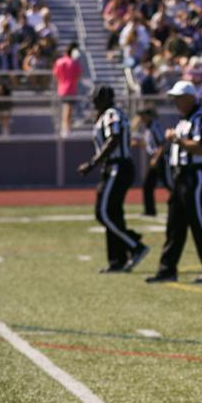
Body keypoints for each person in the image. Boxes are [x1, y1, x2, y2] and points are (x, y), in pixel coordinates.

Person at [146, 80, 202, 284]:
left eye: (178, 98)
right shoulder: (183, 120)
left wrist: (177, 140)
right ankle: (167, 270)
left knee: (198, 222)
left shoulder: (201, 119)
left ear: (190, 98)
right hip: (180, 176)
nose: (175, 102)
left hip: (194, 175)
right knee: (174, 225)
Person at [78, 86, 148, 274]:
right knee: (113, 213)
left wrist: (93, 163)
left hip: (117, 166)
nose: (93, 101)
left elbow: (114, 138)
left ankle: (134, 245)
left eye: (96, 97)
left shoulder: (111, 114)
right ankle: (117, 260)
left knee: (103, 213)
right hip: (114, 167)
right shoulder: (108, 115)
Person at [136, 108, 169, 217]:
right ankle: (150, 211)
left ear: (149, 115)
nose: (141, 118)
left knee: (168, 184)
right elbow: (149, 145)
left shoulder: (155, 126)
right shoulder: (147, 128)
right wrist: (137, 143)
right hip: (154, 158)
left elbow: (162, 144)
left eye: (142, 115)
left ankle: (182, 204)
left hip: (161, 159)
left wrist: (156, 158)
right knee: (147, 185)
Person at [53, 44, 84, 134]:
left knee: (66, 108)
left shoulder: (59, 62)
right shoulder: (73, 63)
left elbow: (55, 74)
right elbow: (78, 75)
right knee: (67, 109)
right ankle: (66, 128)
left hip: (61, 88)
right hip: (70, 88)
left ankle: (66, 127)